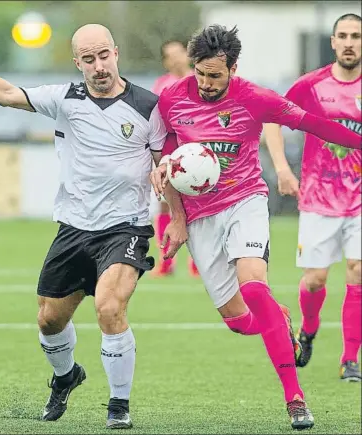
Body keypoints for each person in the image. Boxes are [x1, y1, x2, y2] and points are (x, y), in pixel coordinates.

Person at [0, 24, 167, 429]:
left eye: (104, 55)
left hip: (126, 228)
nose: (99, 66)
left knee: (110, 307)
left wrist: (178, 219)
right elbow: (7, 93)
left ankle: (119, 405)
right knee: (49, 320)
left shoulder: (149, 107)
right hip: (75, 227)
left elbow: (165, 166)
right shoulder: (64, 98)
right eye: (89, 59)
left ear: (116, 52)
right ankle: (66, 376)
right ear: (77, 62)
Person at [150, 24, 360, 430]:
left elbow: (314, 124)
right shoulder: (172, 99)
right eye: (200, 73)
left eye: (216, 75)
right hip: (200, 216)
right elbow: (165, 155)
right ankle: (280, 318)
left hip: (245, 200)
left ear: (233, 68)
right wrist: (176, 217)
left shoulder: (255, 98)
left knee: (253, 285)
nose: (207, 83)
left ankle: (295, 398)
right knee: (239, 320)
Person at [264, 13, 361, 382]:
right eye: (344, 36)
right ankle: (308, 329)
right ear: (333, 42)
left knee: (358, 272)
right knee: (316, 279)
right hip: (319, 198)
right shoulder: (312, 85)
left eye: (357, 36)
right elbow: (272, 117)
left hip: (360, 200)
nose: (350, 42)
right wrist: (283, 170)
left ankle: (350, 359)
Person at [151, 40, 199, 276]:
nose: (176, 58)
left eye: (179, 53)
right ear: (165, 61)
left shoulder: (201, 80)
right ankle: (166, 262)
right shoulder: (161, 85)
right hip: (170, 152)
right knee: (164, 203)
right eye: (170, 55)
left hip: (197, 153)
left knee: (198, 205)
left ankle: (198, 263)